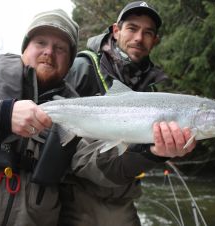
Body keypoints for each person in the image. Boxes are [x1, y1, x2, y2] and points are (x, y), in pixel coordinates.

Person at [60, 1, 197, 225]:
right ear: (116, 31)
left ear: (155, 40)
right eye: (132, 28)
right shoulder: (81, 69)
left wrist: (157, 152)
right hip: (72, 192)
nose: (139, 38)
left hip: (120, 195)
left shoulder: (151, 89)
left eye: (148, 33)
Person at [0, 9, 79, 226]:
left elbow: (95, 164)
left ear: (69, 62)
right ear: (25, 49)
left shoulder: (79, 113)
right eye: (40, 42)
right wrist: (0, 115)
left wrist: (144, 152)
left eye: (60, 48)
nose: (49, 52)